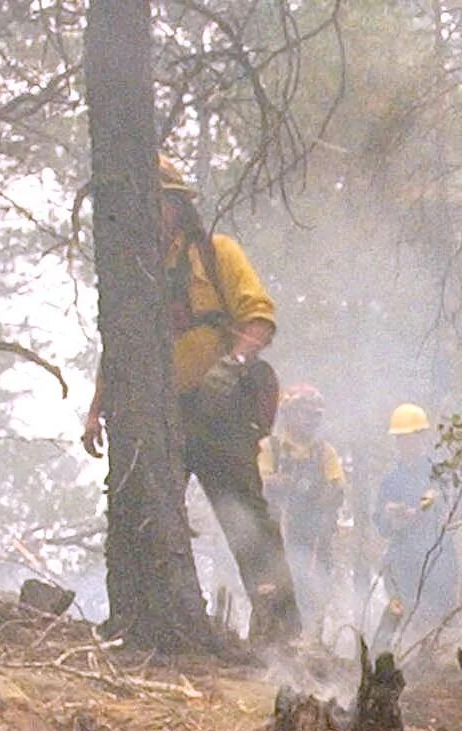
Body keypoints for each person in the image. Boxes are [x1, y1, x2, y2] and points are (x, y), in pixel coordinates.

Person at [80, 158, 301, 651]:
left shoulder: (216, 254)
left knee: (246, 519)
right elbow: (120, 348)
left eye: (154, 203)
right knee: (145, 516)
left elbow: (259, 318)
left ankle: (281, 632)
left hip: (220, 414)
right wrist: (97, 409)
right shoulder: (133, 275)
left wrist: (233, 362)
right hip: (159, 420)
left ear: (177, 206)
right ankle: (148, 625)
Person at [371, 403, 459, 649]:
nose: (404, 445)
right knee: (400, 613)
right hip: (402, 560)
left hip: (436, 560)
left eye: (409, 438)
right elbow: (381, 523)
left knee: (434, 617)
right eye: (400, 439)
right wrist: (390, 515)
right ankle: (386, 660)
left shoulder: (439, 473)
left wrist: (419, 511)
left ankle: (434, 660)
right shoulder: (391, 480)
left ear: (422, 438)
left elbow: (446, 504)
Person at [265, 384, 346, 632]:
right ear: (288, 413)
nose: (310, 420)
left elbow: (337, 486)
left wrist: (323, 498)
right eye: (304, 413)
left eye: (315, 415)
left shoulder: (325, 452)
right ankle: (272, 641)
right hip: (277, 535)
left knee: (314, 588)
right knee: (274, 587)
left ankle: (311, 641)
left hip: (314, 537)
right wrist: (279, 484)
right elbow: (260, 482)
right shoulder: (272, 448)